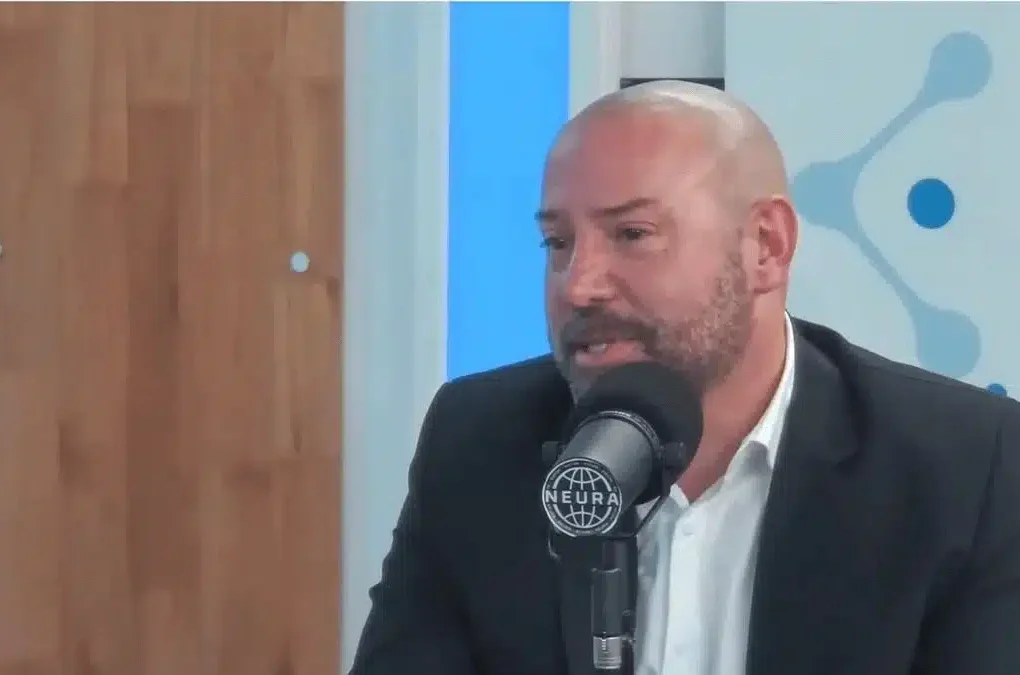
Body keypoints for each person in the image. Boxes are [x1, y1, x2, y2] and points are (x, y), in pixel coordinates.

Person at [348, 81, 1020, 675]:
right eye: (558, 242)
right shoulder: (478, 442)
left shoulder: (964, 468)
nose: (578, 285)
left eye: (632, 234)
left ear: (766, 246)